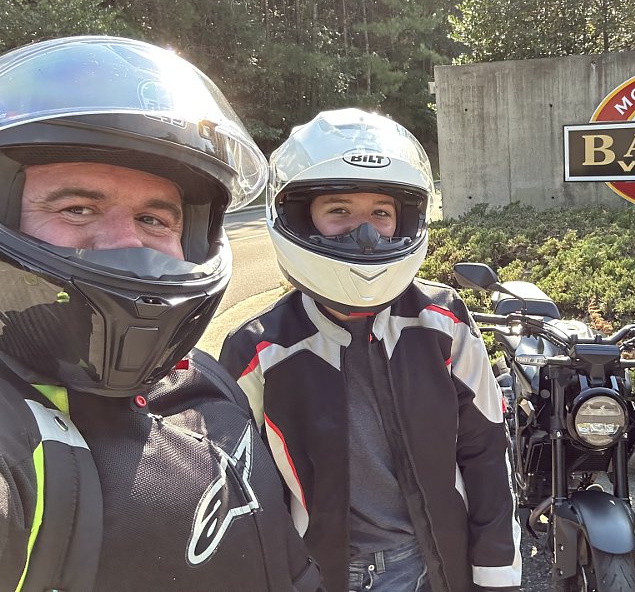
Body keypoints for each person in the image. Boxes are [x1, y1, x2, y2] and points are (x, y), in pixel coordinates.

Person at [0, 35, 325, 591]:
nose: (130, 246)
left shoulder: (208, 380)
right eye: (77, 207)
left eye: (155, 220)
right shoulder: (17, 436)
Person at [219, 109, 522, 592]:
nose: (365, 233)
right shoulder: (259, 348)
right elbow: (238, 489)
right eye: (339, 210)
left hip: (443, 557)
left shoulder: (441, 321)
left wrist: (496, 572)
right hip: (326, 569)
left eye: (380, 213)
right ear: (301, 217)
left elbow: (486, 449)